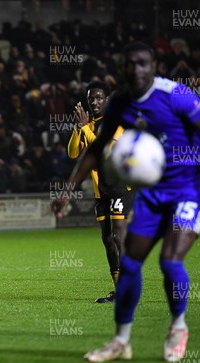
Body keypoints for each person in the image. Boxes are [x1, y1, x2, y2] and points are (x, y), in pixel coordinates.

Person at [52, 42, 200, 363]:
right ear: (123, 68)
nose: (135, 69)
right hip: (154, 189)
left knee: (169, 260)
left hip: (191, 186)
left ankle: (178, 327)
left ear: (153, 66)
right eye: (129, 64)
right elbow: (95, 149)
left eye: (142, 63)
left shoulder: (175, 94)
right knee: (130, 262)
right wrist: (68, 189)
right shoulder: (120, 102)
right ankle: (121, 341)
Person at [66, 81, 133, 303]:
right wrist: (79, 128)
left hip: (119, 186)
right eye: (90, 98)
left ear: (106, 100)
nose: (94, 102)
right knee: (107, 239)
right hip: (100, 190)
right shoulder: (89, 125)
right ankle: (118, 290)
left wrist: (85, 128)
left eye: (98, 98)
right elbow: (73, 153)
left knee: (117, 236)